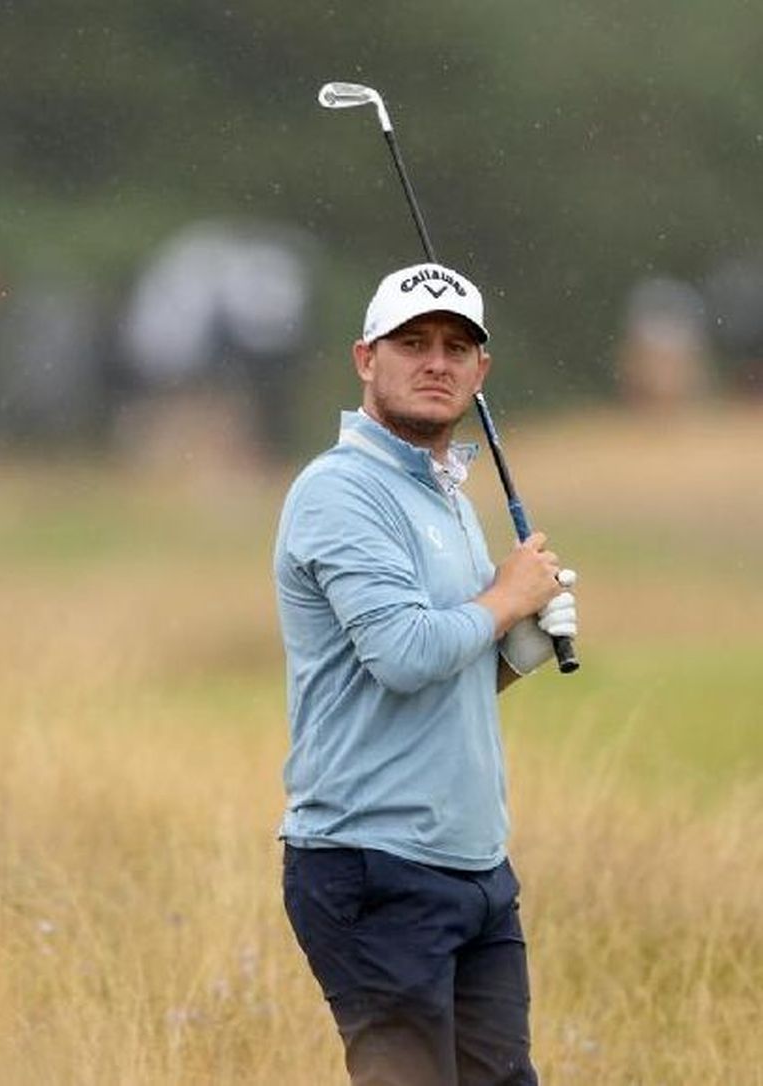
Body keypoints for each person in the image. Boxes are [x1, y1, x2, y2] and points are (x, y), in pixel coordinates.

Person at [272, 262, 579, 1085]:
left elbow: (449, 673)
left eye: (456, 346)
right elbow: (405, 656)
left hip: (475, 867)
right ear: (365, 358)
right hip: (371, 863)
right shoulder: (339, 492)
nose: (435, 362)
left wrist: (518, 648)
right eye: (412, 343)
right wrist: (507, 598)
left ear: (481, 373)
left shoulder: (443, 495)